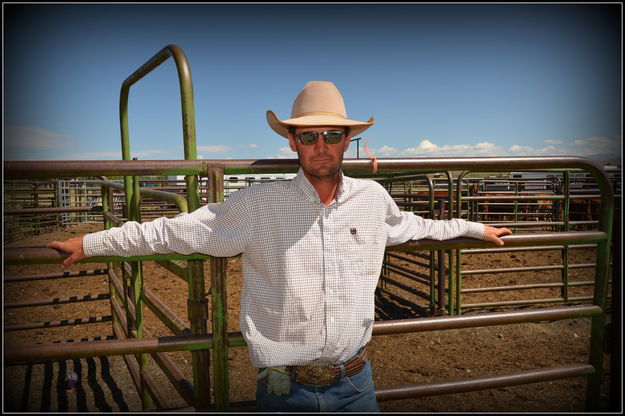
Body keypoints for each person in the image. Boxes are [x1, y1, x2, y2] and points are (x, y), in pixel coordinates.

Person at [48, 81, 512, 412]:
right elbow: (172, 230)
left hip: (356, 383)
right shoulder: (258, 204)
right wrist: (92, 242)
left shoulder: (372, 200)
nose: (321, 145)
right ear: (292, 142)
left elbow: (414, 226)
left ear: (349, 139)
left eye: (332, 134)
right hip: (283, 389)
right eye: (308, 136)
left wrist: (475, 229)